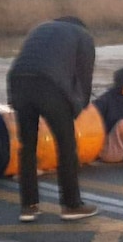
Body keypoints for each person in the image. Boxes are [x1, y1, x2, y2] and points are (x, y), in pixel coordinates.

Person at [6, 16, 98, 223]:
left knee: (26, 146)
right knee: (66, 146)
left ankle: (28, 207)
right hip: (49, 86)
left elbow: (25, 60)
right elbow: (84, 76)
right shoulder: (83, 36)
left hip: (18, 83)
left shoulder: (41, 28)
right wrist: (79, 107)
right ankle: (71, 205)